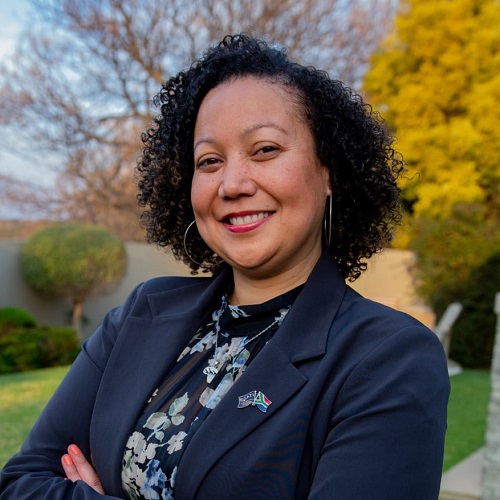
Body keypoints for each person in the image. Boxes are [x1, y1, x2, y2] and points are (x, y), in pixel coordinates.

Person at [0, 34, 449, 499]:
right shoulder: (143, 312)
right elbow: (22, 481)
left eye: (266, 149)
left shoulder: (389, 358)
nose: (232, 184)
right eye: (209, 160)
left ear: (329, 170)